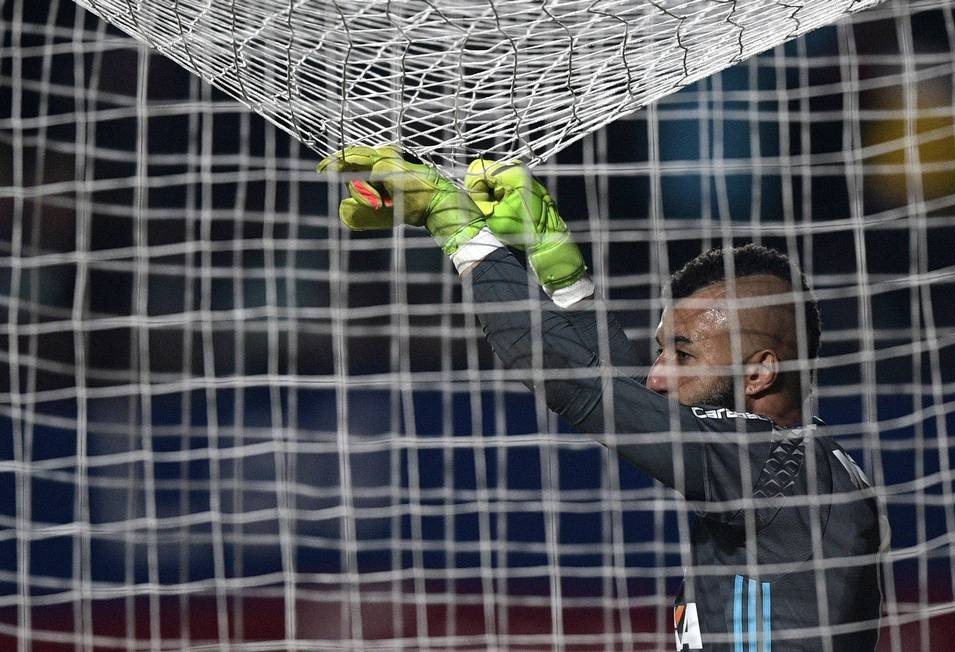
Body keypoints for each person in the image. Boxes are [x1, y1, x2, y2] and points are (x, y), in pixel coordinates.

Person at [318, 146, 887, 651]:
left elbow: (564, 375)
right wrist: (557, 267)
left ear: (760, 375)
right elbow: (616, 384)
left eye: (682, 356)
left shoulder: (768, 464)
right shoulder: (791, 462)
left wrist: (459, 228)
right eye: (661, 351)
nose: (657, 377)